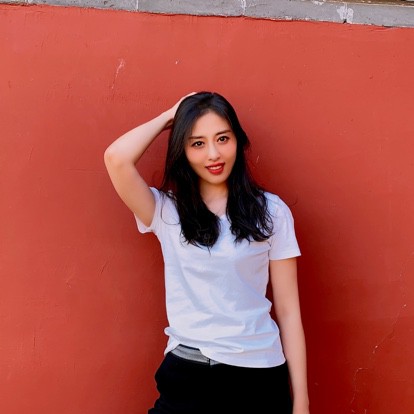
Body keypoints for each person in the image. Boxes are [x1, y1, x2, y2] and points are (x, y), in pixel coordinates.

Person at [104, 91, 310, 414]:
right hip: (188, 376)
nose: (213, 154)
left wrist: (301, 402)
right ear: (183, 150)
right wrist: (171, 115)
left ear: (237, 141)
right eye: (197, 143)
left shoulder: (272, 212)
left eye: (222, 139)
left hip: (257, 378)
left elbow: (288, 311)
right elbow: (116, 158)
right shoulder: (167, 211)